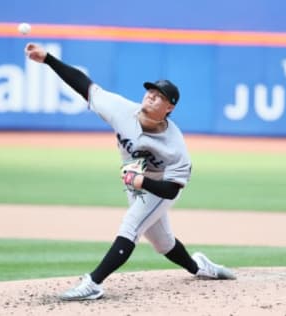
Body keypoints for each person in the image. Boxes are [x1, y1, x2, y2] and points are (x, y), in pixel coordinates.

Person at [24, 43, 236, 301]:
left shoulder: (174, 145)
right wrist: (48, 59)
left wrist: (142, 180)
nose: (151, 96)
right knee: (162, 243)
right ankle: (200, 267)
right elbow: (84, 86)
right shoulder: (121, 109)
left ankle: (92, 283)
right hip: (135, 183)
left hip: (160, 187)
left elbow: (172, 189)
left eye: (159, 96)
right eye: (150, 91)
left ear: (169, 108)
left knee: (131, 226)